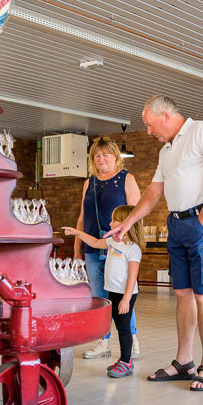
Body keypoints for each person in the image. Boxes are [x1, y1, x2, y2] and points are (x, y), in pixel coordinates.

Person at [107, 95, 203, 392]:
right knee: (183, 294)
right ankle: (184, 362)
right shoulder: (166, 151)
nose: (149, 132)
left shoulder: (202, 131)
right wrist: (129, 221)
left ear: (165, 116)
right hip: (177, 224)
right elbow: (153, 192)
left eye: (150, 125)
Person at [74, 136, 141, 360]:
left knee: (123, 293)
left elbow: (136, 215)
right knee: (99, 297)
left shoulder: (126, 179)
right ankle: (103, 340)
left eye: (106, 154)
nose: (101, 158)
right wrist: (77, 250)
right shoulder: (89, 182)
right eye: (97, 155)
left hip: (120, 248)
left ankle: (131, 338)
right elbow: (82, 218)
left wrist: (133, 246)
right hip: (93, 246)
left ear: (115, 157)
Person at [63, 205, 145, 378]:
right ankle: (123, 359)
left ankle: (126, 361)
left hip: (125, 294)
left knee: (124, 328)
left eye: (114, 219)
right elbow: (93, 242)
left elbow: (132, 276)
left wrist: (126, 299)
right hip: (113, 292)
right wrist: (77, 232)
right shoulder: (113, 241)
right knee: (117, 325)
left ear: (126, 223)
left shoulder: (132, 249)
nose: (110, 222)